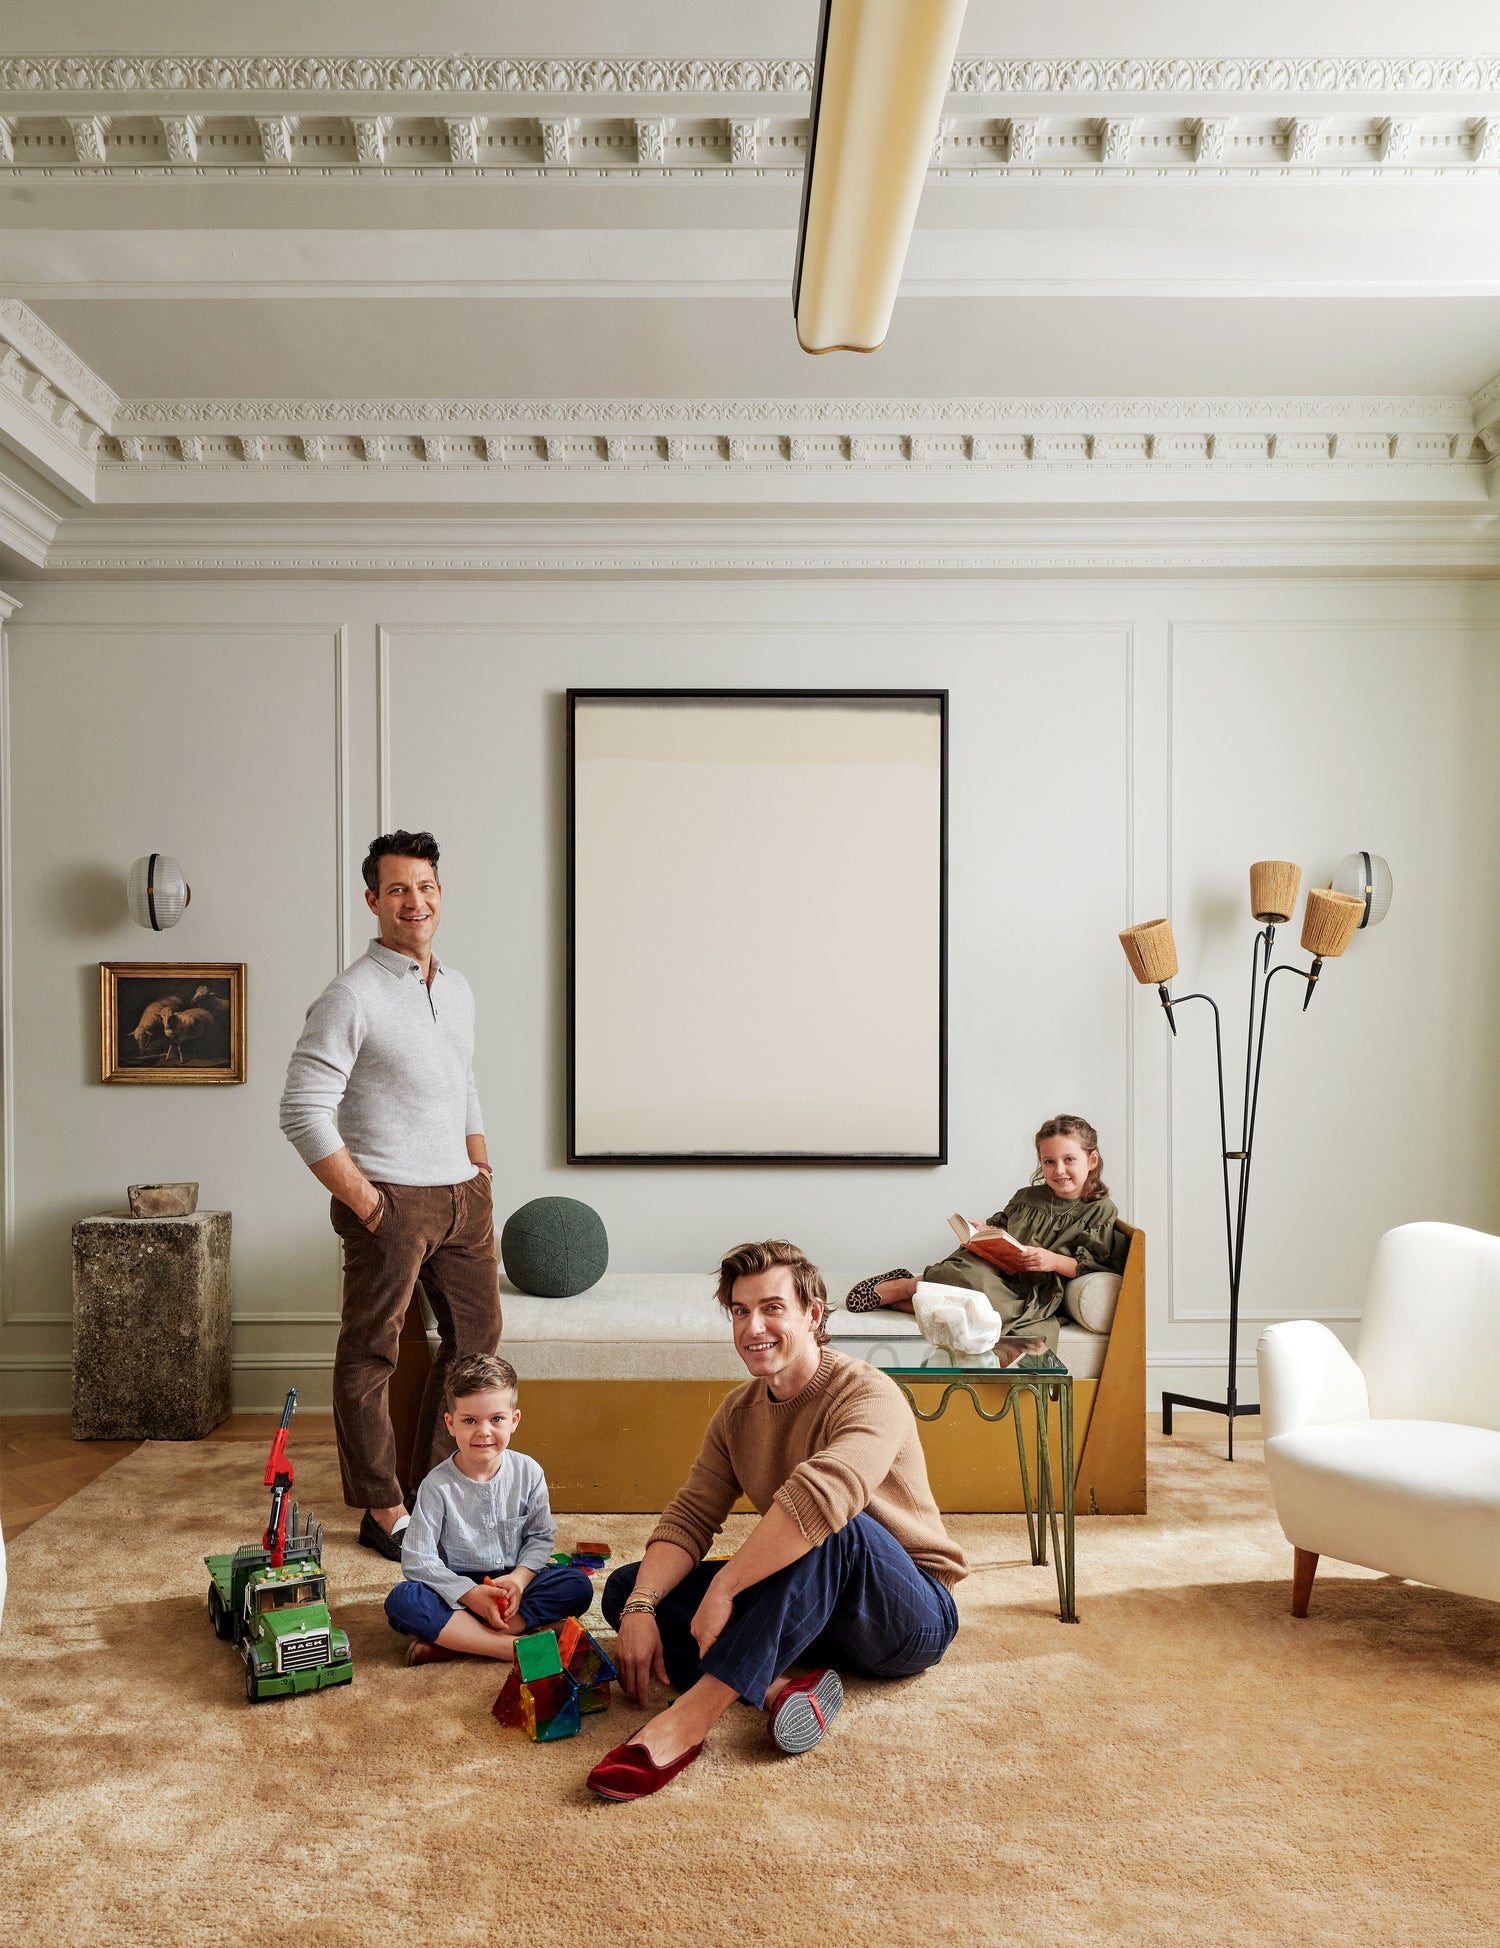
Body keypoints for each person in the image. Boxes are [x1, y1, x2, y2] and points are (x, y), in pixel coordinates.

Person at [586, 1239, 966, 1803]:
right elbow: (691, 1516)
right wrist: (642, 1607)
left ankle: (692, 1718)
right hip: (817, 1611)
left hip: (904, 1614)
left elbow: (823, 1499)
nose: (752, 1326)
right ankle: (779, 1688)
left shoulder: (868, 1392)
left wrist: (728, 1586)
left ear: (813, 1315)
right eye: (740, 1311)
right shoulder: (738, 1413)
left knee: (841, 1525)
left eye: (772, 1308)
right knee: (628, 1586)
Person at [279, 830, 502, 1562]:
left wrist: (477, 1162)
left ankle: (433, 1488)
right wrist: (371, 1203)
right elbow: (302, 1108)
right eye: (399, 889)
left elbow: (462, 1079)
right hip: (393, 1201)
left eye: (427, 886)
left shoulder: (458, 987)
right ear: (373, 900)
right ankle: (382, 1508)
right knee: (371, 1353)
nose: (416, 901)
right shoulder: (351, 995)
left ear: (441, 893)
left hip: (461, 1198)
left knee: (475, 1345)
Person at [846, 1113, 1126, 1349]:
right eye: (1049, 1161)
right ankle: (906, 1286)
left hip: (1035, 1287)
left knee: (989, 1305)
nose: (1059, 1170)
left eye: (1069, 1160)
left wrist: (1052, 1260)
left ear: (1091, 1160)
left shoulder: (1100, 1209)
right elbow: (1003, 1228)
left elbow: (1094, 1265)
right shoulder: (1028, 1196)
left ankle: (909, 1304)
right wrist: (986, 1230)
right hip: (998, 1270)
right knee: (967, 1272)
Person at [384, 1354, 592, 1666]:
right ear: (451, 1424)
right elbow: (418, 1559)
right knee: (404, 1601)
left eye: (496, 1419)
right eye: (470, 1421)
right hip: (457, 1589)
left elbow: (539, 1538)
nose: (483, 1431)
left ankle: (460, 1641)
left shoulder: (530, 1472)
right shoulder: (436, 1486)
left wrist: (520, 1580)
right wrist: (469, 1595)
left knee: (577, 1585)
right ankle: (510, 1647)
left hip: (512, 1587)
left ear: (514, 1420)